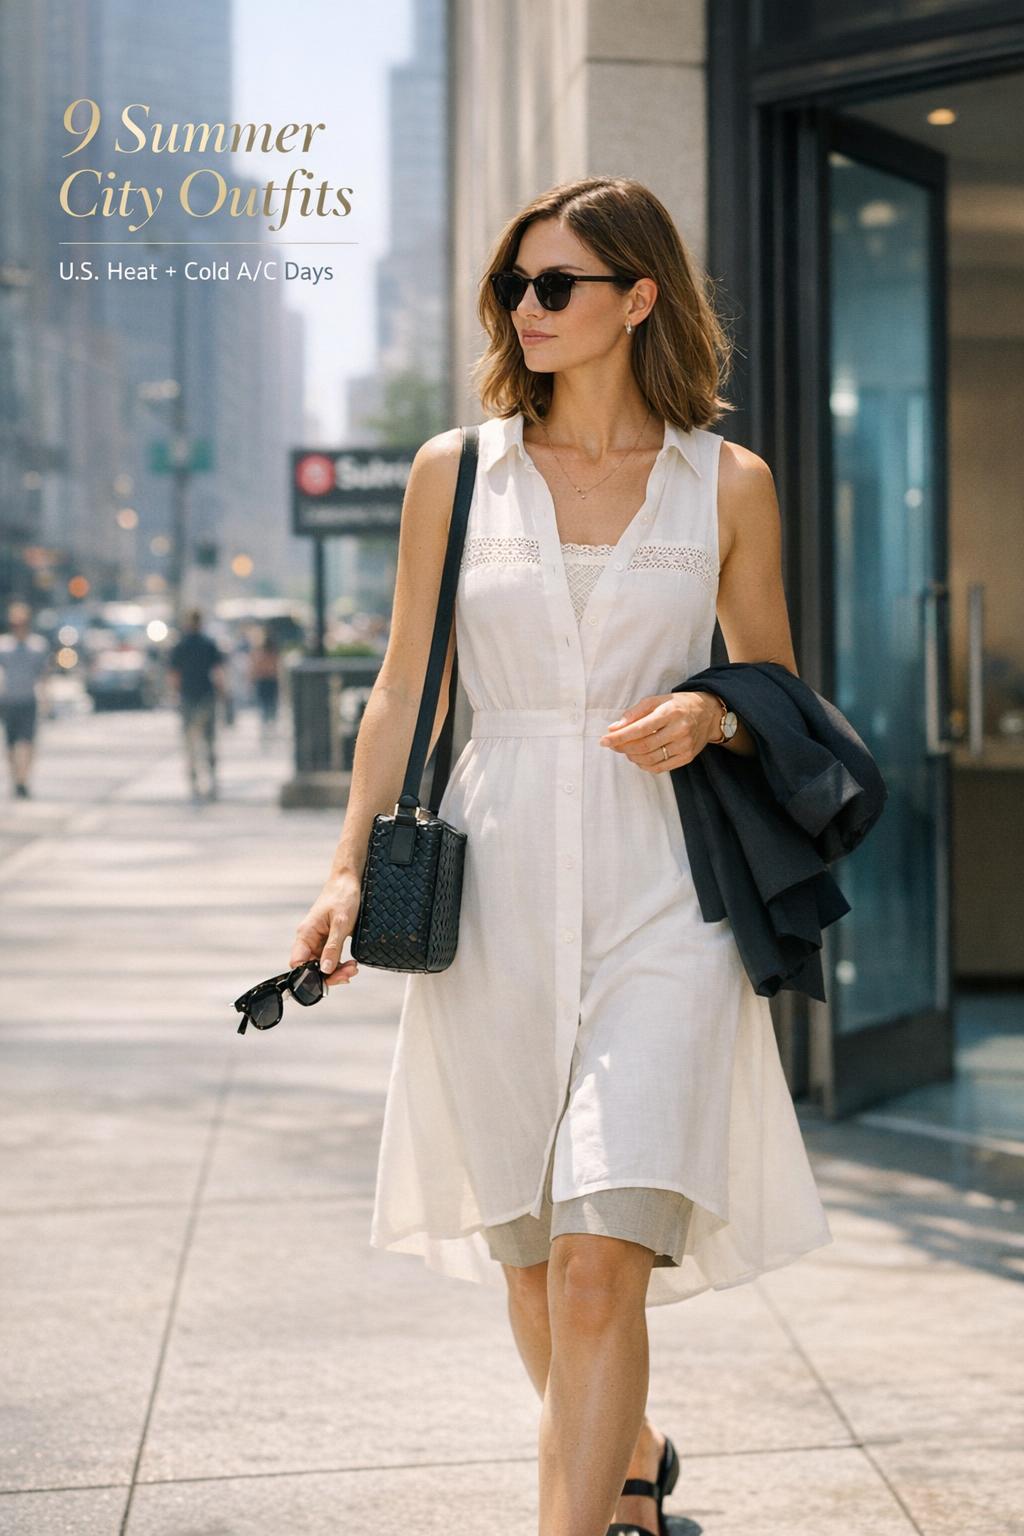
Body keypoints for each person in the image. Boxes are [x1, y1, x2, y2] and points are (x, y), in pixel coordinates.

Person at [289, 176, 834, 1536]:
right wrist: (345, 867)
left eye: (555, 286)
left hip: (667, 890)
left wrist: (712, 711)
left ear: (638, 297)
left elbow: (777, 686)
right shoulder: (454, 471)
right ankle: (634, 1468)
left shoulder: (729, 482)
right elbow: (406, 685)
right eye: (512, 289)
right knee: (535, 1266)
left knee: (601, 1265)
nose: (524, 311)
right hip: (498, 882)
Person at [167, 608, 226, 803]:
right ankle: (212, 780)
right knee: (209, 741)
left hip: (188, 697)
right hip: (206, 696)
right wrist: (223, 693)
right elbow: (218, 672)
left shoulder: (181, 645)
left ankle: (194, 781)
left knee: (190, 742)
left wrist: (176, 694)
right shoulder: (209, 644)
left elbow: (174, 674)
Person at [0, 600, 50, 799]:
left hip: (29, 700)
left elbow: (44, 674)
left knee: (28, 743)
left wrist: (46, 697)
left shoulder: (37, 646)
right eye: (15, 624)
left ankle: (24, 779)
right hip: (8, 700)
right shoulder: (3, 646)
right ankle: (16, 779)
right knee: (11, 744)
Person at [248, 628, 281, 742]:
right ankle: (270, 729)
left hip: (263, 682)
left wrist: (252, 680)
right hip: (270, 681)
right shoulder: (273, 654)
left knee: (264, 707)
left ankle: (266, 730)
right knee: (271, 706)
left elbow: (254, 669)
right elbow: (276, 670)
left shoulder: (259, 653)